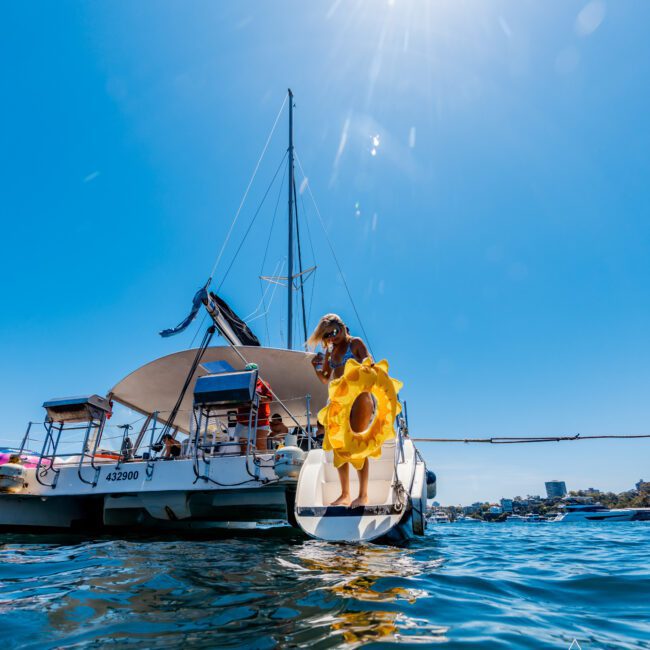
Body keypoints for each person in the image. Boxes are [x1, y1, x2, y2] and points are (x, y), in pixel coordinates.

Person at [308, 313, 373, 508]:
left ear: (343, 327)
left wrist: (364, 367)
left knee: (358, 444)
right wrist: (316, 368)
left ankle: (363, 495)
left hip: (360, 398)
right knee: (339, 447)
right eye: (327, 336)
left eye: (335, 332)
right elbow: (325, 378)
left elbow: (370, 363)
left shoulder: (355, 344)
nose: (332, 337)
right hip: (338, 401)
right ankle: (345, 494)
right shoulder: (330, 351)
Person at [235, 363, 273, 452]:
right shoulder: (241, 384)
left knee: (261, 445)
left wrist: (256, 397)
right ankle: (244, 465)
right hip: (244, 420)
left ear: (257, 373)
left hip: (261, 421)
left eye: (252, 372)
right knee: (244, 447)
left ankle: (262, 464)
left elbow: (269, 399)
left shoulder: (264, 384)